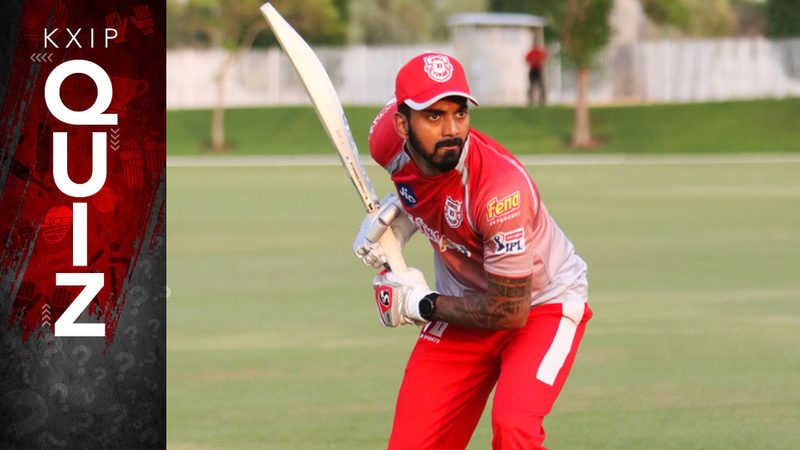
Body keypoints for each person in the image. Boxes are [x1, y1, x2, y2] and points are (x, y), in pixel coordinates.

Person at [353, 52, 591, 450]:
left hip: (541, 306)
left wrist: (420, 304)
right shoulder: (386, 144)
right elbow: (422, 183)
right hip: (465, 303)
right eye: (433, 116)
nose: (451, 129)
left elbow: (509, 311)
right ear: (402, 124)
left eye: (459, 113)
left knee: (514, 426)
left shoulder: (500, 192)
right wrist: (401, 213)